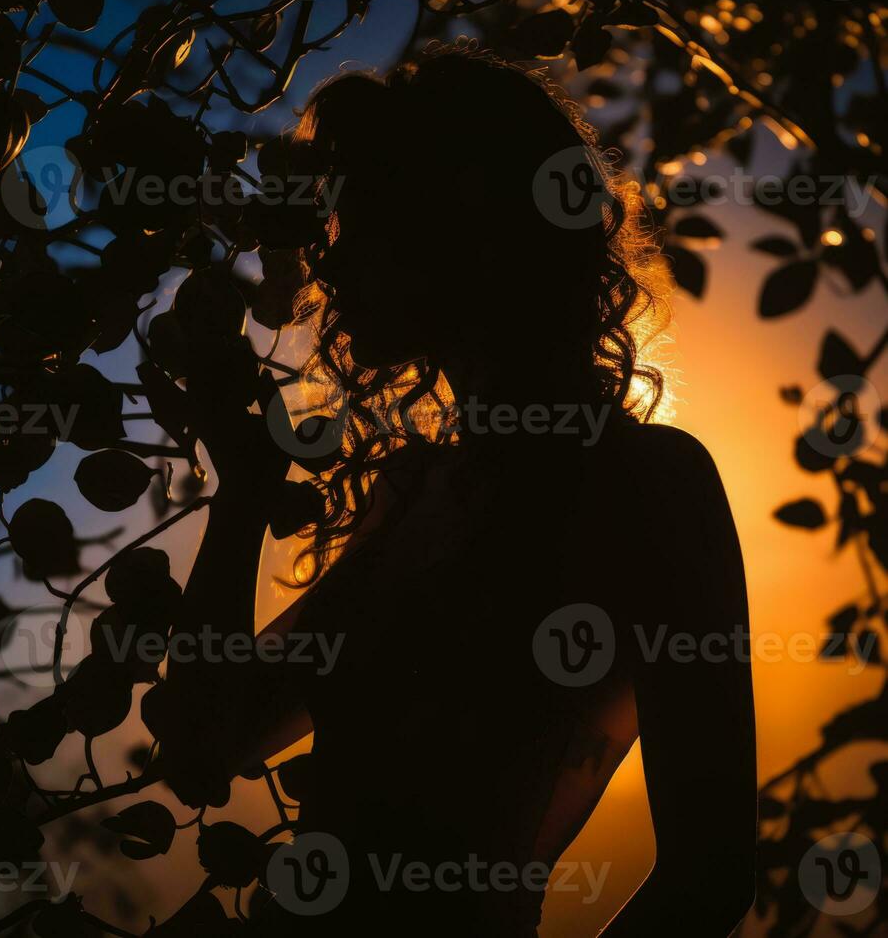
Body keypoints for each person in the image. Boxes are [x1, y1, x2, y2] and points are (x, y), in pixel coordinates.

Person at [174, 46, 757, 936]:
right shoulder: (416, 491)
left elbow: (709, 878)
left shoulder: (649, 487)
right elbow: (207, 737)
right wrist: (245, 490)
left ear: (461, 232)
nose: (331, 267)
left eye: (361, 224)